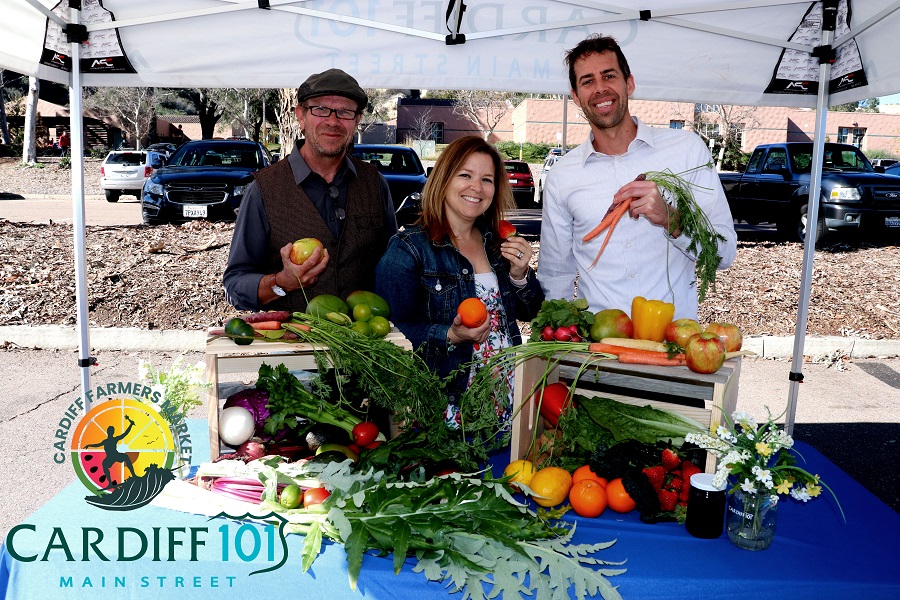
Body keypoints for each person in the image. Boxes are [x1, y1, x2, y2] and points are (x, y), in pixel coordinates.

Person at [539, 35, 737, 321]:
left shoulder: (686, 151)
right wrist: (553, 340)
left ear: (629, 83)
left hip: (672, 347)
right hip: (597, 351)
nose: (600, 89)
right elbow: (555, 274)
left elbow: (724, 253)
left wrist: (671, 220)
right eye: (587, 81)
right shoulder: (562, 176)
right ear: (575, 97)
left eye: (609, 76)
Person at [374, 136, 543, 427]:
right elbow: (388, 337)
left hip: (509, 402)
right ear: (443, 179)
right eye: (465, 175)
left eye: (487, 179)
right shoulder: (408, 250)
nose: (477, 188)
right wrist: (448, 335)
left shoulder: (497, 243)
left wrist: (519, 276)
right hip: (446, 409)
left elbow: (533, 313)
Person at [223, 68, 397, 312]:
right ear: (301, 116)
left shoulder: (375, 184)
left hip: (363, 342)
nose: (333, 121)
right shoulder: (264, 190)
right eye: (320, 109)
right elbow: (235, 284)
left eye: (345, 112)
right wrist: (281, 283)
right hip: (293, 345)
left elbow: (394, 267)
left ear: (357, 121)